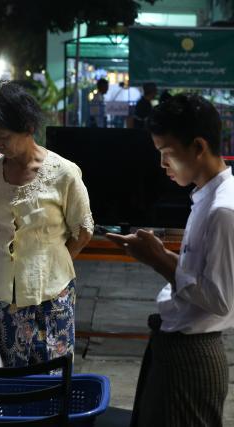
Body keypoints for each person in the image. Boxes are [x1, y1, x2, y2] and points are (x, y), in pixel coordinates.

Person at [106, 94, 234, 427]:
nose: (163, 164)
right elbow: (199, 274)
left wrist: (157, 260)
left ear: (198, 146)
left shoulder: (222, 210)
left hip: (192, 355)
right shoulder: (206, 197)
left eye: (167, 153)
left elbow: (220, 299)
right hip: (179, 348)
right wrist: (159, 254)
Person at [0, 82, 94, 367]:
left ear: (28, 127)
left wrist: (53, 262)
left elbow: (84, 230)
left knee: (48, 379)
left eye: (4, 136)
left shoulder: (63, 173)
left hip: (51, 296)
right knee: (0, 374)